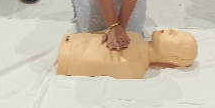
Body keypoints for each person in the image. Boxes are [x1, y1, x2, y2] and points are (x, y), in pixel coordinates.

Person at [57, 28, 198, 78]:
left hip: (66, 60)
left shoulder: (135, 69)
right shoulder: (135, 36)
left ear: (173, 58)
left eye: (178, 38)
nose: (172, 30)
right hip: (70, 40)